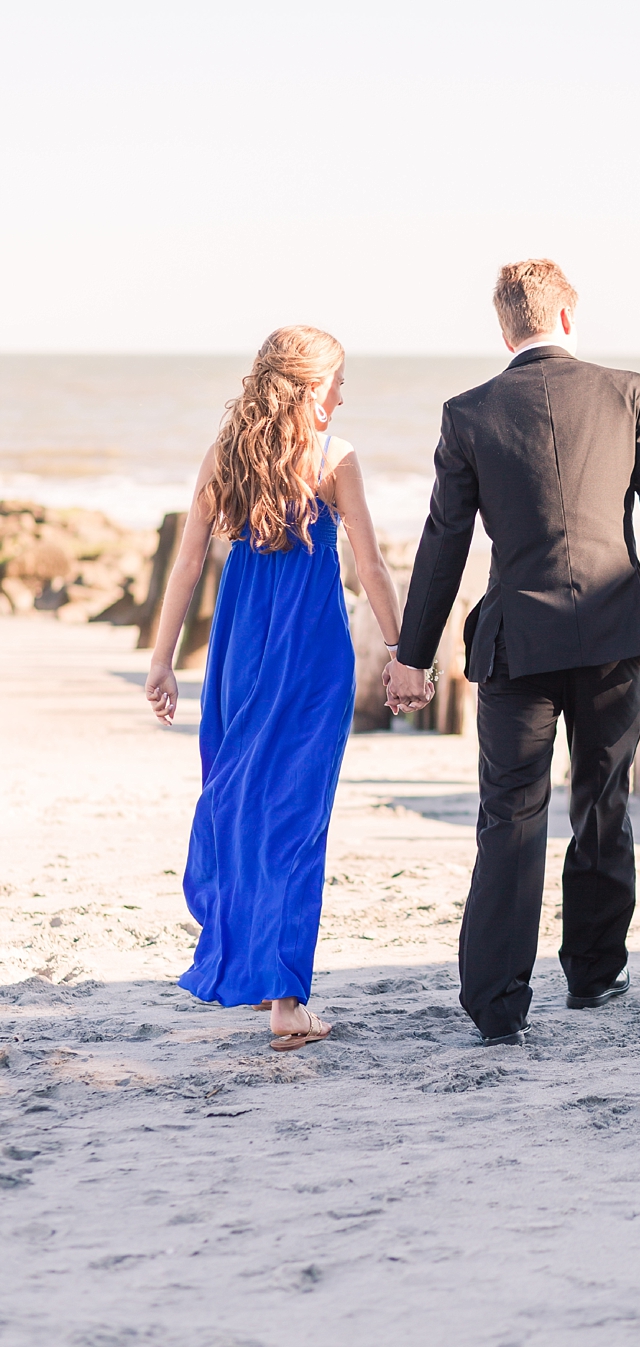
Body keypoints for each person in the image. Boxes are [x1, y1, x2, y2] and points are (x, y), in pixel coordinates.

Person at [387, 258, 640, 1047]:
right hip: (613, 636)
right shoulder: (626, 392)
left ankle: (498, 1004)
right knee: (603, 801)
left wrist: (414, 653)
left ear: (505, 327)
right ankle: (593, 974)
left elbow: (443, 542)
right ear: (568, 317)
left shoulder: (468, 413)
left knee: (510, 816)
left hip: (517, 644)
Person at [146, 326, 406, 1051]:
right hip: (309, 656)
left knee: (239, 802)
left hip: (238, 650)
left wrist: (164, 659)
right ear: (310, 386)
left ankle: (257, 969)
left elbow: (187, 566)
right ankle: (286, 1000)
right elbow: (374, 569)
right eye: (338, 382)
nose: (344, 395)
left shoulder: (226, 455)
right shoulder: (334, 458)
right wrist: (403, 651)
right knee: (295, 816)